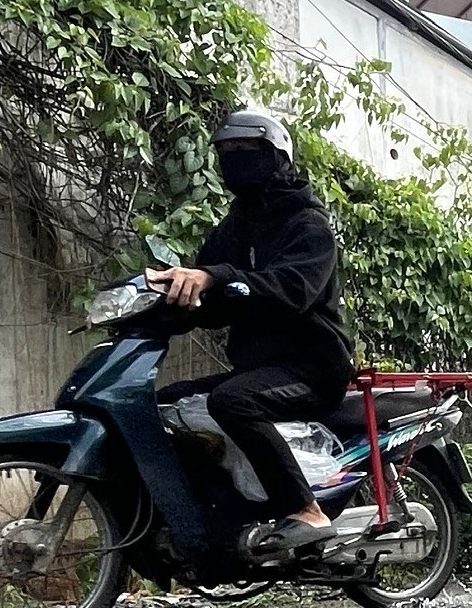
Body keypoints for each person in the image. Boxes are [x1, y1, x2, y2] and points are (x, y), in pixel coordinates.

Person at [149, 108, 356, 551]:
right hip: (258, 366)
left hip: (312, 368)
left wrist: (218, 277)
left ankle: (307, 511)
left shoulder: (308, 224)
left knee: (233, 402)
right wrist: (167, 299)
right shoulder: (237, 227)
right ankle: (221, 517)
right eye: (228, 154)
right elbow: (213, 294)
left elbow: (291, 291)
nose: (237, 163)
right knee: (163, 402)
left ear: (278, 157)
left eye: (250, 153)